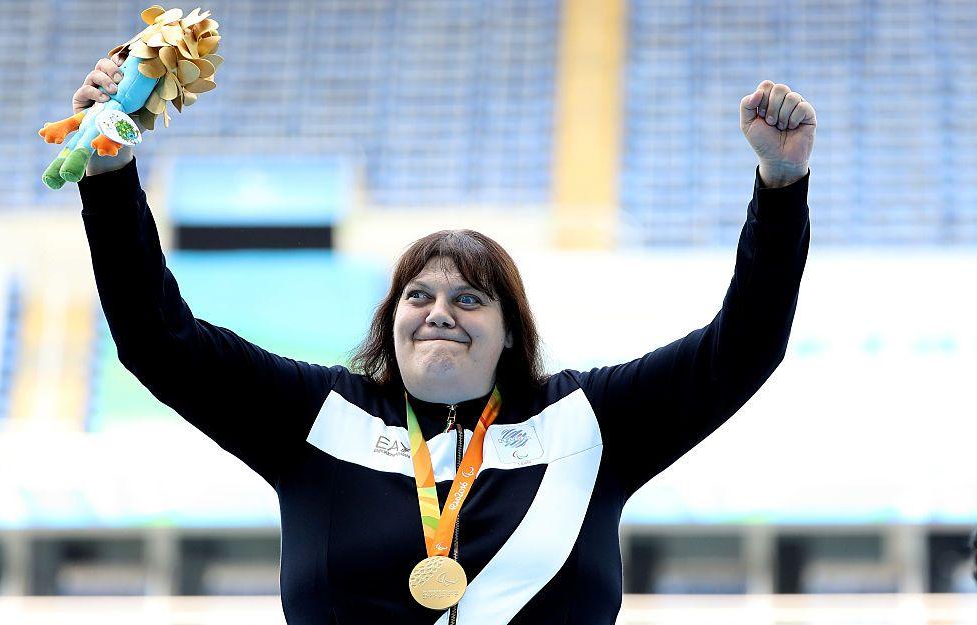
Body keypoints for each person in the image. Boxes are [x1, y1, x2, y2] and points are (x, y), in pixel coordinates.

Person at [75, 53, 814, 624]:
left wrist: (780, 189)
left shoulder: (588, 419)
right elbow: (157, 339)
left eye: (470, 298)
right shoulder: (318, 415)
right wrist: (109, 177)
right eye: (417, 295)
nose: (438, 311)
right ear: (390, 320)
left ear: (509, 332)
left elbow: (743, 349)